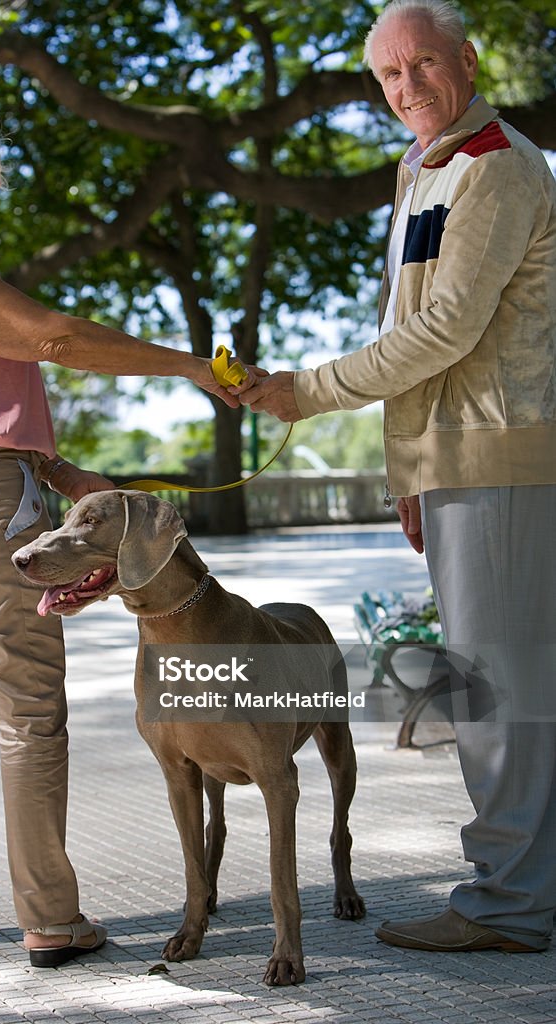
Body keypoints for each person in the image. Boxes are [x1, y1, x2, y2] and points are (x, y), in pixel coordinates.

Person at [0, 84, 245, 967]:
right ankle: (52, 918)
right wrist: (193, 366)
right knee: (31, 709)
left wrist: (55, 466)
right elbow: (55, 339)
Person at [236, 0, 556, 953]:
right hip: (454, 457)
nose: (406, 87)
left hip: (498, 455)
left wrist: (305, 391)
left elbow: (444, 331)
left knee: (497, 692)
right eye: (387, 75)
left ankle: (509, 906)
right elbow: (410, 326)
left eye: (422, 64)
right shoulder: (423, 168)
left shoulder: (494, 165)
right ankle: (524, 888)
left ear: (465, 60)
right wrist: (407, 470)